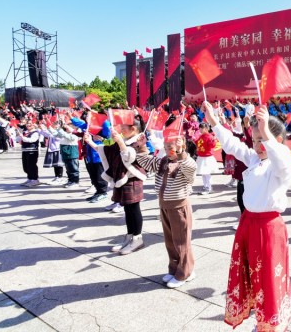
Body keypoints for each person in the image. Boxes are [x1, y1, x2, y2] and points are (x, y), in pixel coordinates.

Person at [202, 101, 291, 332]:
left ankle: (270, 323)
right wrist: (214, 121)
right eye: (254, 140)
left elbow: (283, 161)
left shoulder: (280, 165)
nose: (256, 145)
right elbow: (233, 145)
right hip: (249, 224)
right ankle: (261, 319)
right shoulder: (256, 159)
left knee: (268, 279)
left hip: (268, 228)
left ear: (277, 141)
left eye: (261, 140)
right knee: (250, 275)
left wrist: (267, 135)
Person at [135, 135, 198, 288]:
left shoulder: (185, 163)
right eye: (166, 145)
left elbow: (191, 169)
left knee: (181, 242)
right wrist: (142, 146)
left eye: (173, 145)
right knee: (170, 242)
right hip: (165, 206)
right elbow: (145, 162)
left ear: (182, 144)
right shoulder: (162, 161)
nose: (169, 148)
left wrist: (181, 152)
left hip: (179, 208)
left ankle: (185, 272)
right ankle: (175, 268)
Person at [85, 115, 148, 255]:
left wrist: (120, 142)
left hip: (132, 179)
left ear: (134, 129)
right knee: (127, 209)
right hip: (123, 179)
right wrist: (90, 142)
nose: (121, 130)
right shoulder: (125, 140)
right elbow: (107, 151)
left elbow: (129, 156)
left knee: (134, 208)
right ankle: (130, 237)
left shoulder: (140, 141)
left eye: (124, 128)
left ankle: (137, 239)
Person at [71, 112, 111, 203]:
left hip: (98, 155)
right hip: (89, 154)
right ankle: (98, 191)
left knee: (99, 174)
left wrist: (100, 137)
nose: (87, 116)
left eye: (89, 115)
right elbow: (79, 124)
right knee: (93, 175)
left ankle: (103, 192)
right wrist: (71, 117)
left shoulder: (102, 124)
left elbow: (108, 135)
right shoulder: (88, 125)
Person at [50, 118, 80, 188]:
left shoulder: (75, 135)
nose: (66, 128)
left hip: (72, 154)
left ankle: (75, 182)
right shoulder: (64, 133)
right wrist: (51, 127)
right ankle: (70, 180)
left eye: (68, 127)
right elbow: (55, 134)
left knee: (73, 168)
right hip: (65, 154)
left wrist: (61, 127)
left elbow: (67, 136)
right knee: (68, 169)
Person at [194, 122, 218, 195]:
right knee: (203, 173)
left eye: (202, 128)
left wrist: (214, 140)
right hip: (201, 156)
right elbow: (198, 143)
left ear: (207, 128)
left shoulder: (209, 136)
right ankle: (205, 186)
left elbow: (212, 146)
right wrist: (194, 139)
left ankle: (209, 187)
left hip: (207, 157)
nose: (200, 129)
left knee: (207, 173)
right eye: (200, 128)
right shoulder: (201, 136)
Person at [15, 120, 41, 187]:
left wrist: (22, 137)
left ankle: (35, 179)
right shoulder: (25, 132)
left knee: (32, 165)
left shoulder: (35, 132)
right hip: (25, 150)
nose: (28, 125)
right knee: (26, 166)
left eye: (30, 123)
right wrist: (17, 136)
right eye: (27, 123)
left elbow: (31, 140)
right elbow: (18, 140)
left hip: (32, 150)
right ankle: (30, 178)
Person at [39, 121, 65, 185]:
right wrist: (42, 129)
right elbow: (46, 134)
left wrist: (48, 131)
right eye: (54, 124)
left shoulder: (61, 131)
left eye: (57, 124)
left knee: (59, 164)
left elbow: (57, 138)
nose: (55, 125)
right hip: (52, 149)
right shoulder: (52, 131)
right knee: (55, 164)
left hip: (58, 149)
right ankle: (56, 177)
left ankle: (60, 178)